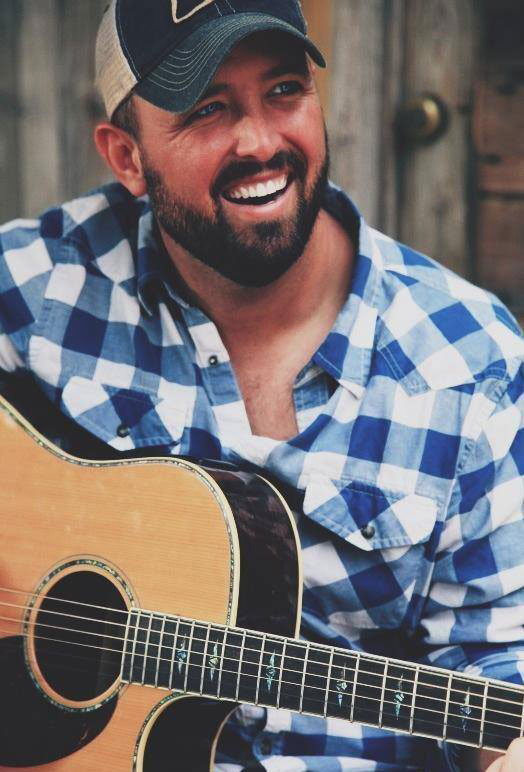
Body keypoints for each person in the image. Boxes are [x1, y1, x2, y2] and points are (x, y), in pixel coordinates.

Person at [0, 1, 523, 769]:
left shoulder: (469, 360)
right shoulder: (33, 289)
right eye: (207, 109)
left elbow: (498, 662)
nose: (260, 142)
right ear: (127, 157)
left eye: (284, 90)